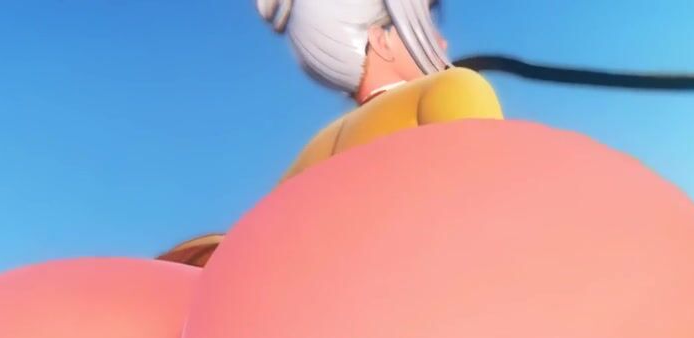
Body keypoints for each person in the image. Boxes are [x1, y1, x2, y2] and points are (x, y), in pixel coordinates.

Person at [157, 0, 503, 267]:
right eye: (424, 23)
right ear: (380, 40)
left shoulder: (308, 159)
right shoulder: (452, 88)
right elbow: (497, 206)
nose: (442, 41)